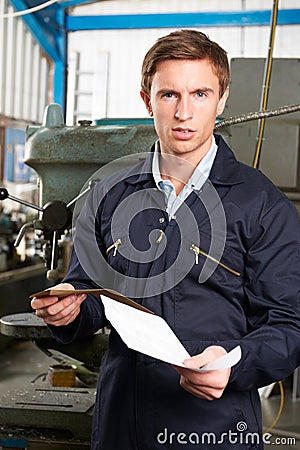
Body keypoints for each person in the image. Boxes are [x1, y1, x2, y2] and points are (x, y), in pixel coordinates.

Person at [31, 29, 300, 449]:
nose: (184, 113)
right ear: (147, 100)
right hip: (123, 421)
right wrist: (69, 306)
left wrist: (233, 364)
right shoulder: (111, 194)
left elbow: (288, 325)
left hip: (213, 425)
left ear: (222, 98)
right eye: (170, 95)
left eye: (200, 94)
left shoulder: (262, 204)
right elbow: (90, 292)